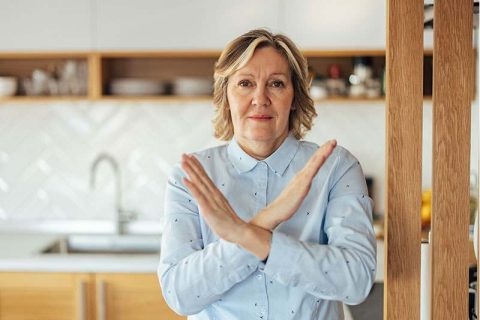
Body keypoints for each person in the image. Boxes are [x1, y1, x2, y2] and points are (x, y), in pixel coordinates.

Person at [158, 29, 376, 320]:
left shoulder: (336, 167)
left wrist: (249, 237)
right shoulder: (192, 177)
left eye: (276, 83)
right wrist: (264, 222)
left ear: (295, 97)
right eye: (245, 83)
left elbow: (357, 280)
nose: (260, 98)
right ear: (226, 97)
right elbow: (179, 294)